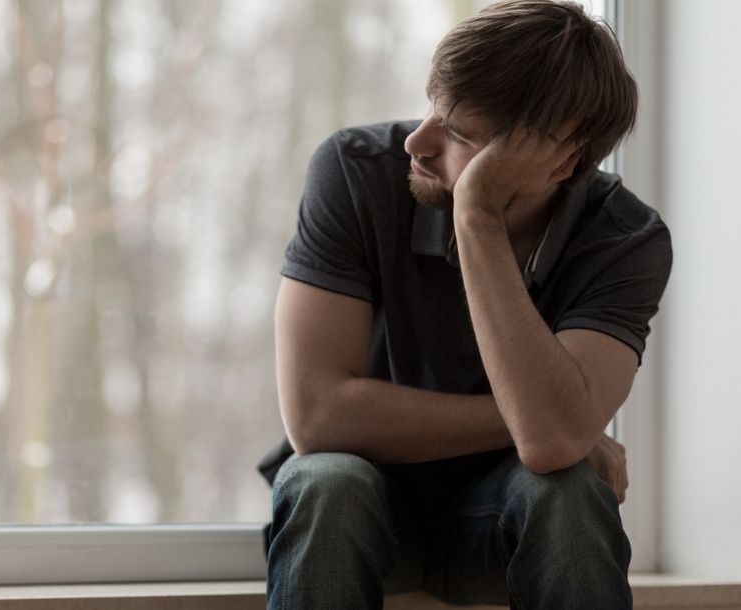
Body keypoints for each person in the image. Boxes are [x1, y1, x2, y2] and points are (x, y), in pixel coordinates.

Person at [260, 1, 672, 608]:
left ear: (560, 161)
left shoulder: (625, 239)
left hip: (504, 528)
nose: (417, 143)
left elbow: (550, 449)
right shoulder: (353, 170)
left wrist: (475, 213)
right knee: (326, 481)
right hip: (360, 513)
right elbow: (316, 417)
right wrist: (554, 423)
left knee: (568, 491)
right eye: (432, 108)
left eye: (459, 133)